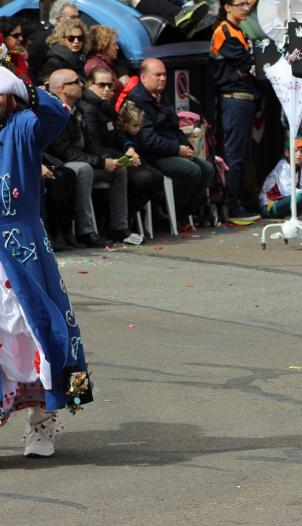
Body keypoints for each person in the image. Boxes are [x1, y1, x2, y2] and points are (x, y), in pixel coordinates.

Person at [0, 62, 93, 457]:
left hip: (21, 246)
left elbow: (57, 114)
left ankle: (42, 421)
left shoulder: (22, 127)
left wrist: (26, 87)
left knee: (38, 331)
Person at [126, 58, 214, 228]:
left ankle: (183, 214)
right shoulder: (136, 100)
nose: (163, 79)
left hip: (171, 149)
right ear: (143, 77)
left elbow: (174, 127)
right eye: (157, 75)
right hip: (152, 155)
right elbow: (147, 140)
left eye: (165, 75)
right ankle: (168, 214)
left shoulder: (161, 96)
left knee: (207, 169)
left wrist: (187, 147)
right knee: (192, 171)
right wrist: (177, 149)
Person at [47, 69, 128, 246]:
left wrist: (107, 159)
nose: (81, 85)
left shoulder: (78, 109)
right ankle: (86, 230)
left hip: (82, 158)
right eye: (76, 82)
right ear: (62, 88)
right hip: (61, 164)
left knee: (119, 170)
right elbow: (64, 151)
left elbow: (91, 144)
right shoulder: (52, 113)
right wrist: (99, 162)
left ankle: (119, 227)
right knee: (84, 170)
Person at [80, 68, 163, 226]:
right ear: (90, 85)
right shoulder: (88, 108)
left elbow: (119, 132)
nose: (106, 89)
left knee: (156, 176)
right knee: (144, 178)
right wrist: (118, 159)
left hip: (115, 153)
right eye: (101, 85)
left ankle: (127, 218)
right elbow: (94, 144)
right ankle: (115, 222)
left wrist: (129, 148)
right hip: (101, 158)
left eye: (110, 86)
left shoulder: (105, 104)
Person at [210, 0, 259, 220]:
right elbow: (246, 61)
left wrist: (247, 68)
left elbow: (248, 66)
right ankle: (231, 205)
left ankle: (239, 201)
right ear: (227, 7)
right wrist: (247, 68)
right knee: (233, 155)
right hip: (234, 100)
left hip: (244, 99)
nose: (246, 8)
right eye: (240, 4)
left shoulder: (239, 31)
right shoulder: (224, 31)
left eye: (247, 4)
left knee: (242, 154)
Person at [258, 137, 302, 219]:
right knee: (299, 199)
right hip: (269, 206)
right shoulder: (283, 167)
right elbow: (288, 191)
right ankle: (300, 212)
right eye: (295, 151)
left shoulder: (298, 169)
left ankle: (300, 212)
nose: (299, 154)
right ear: (287, 153)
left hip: (285, 200)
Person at [26, 0, 80, 82]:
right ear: (58, 20)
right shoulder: (45, 39)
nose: (77, 21)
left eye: (78, 17)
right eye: (72, 18)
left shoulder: (75, 36)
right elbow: (35, 69)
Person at [83, 25, 131, 92]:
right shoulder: (95, 65)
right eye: (114, 44)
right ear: (104, 45)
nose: (117, 48)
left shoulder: (110, 62)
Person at [40, 19, 87, 84]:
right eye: (71, 38)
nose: (76, 41)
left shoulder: (80, 57)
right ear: (62, 39)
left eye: (80, 38)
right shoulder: (55, 62)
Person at [0, 17, 31, 82]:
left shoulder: (17, 57)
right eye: (16, 35)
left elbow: (27, 82)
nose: (21, 38)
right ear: (3, 36)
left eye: (21, 35)